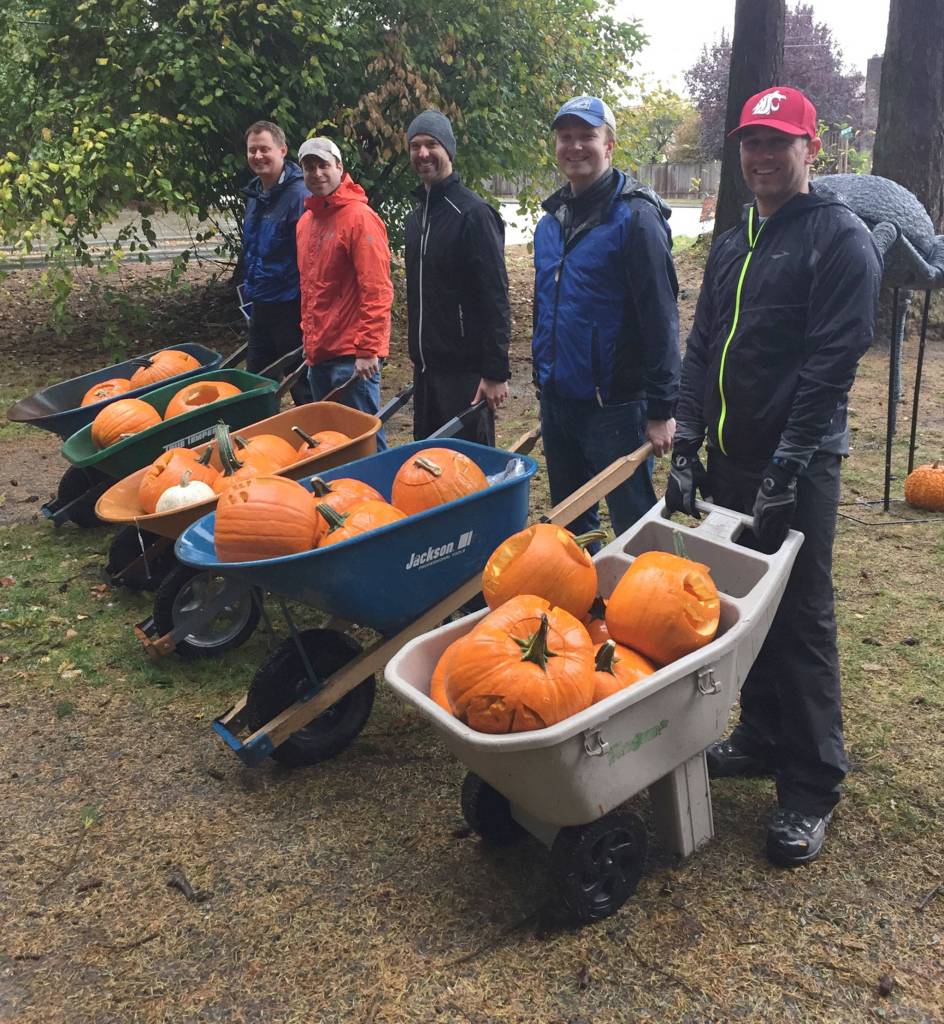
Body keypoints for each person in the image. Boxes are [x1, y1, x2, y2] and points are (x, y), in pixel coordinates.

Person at [665, 86, 882, 867]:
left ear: (810, 150)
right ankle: (759, 732)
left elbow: (830, 366)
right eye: (750, 144)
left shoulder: (839, 240)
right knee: (737, 606)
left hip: (799, 462)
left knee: (799, 617)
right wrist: (687, 444)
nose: (760, 157)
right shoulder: (734, 241)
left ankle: (812, 783)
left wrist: (788, 465)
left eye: (777, 143)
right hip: (730, 455)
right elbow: (701, 348)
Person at [531, 95, 680, 540]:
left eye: (587, 137)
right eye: (566, 137)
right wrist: (544, 378)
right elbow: (546, 308)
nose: (575, 146)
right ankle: (585, 603)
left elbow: (661, 318)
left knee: (636, 525)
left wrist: (661, 409)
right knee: (571, 524)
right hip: (559, 399)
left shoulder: (636, 219)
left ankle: (653, 604)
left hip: (615, 405)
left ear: (610, 146)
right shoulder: (550, 222)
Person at [404, 110, 511, 445]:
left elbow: (495, 297)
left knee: (468, 473)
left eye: (431, 144)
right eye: (415, 146)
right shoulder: (416, 218)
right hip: (425, 370)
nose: (423, 154)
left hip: (464, 375)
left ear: (448, 150)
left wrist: (495, 372)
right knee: (426, 466)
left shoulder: (474, 214)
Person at [296, 137, 393, 450]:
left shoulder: (360, 218)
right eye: (309, 167)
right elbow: (311, 290)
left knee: (363, 441)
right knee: (329, 444)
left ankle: (381, 494)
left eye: (323, 165)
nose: (317, 173)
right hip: (319, 355)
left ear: (339, 167)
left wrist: (368, 349)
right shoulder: (306, 223)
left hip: (352, 358)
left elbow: (376, 288)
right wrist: (309, 343)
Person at [242, 121, 311, 405]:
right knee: (255, 383)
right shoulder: (256, 195)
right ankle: (258, 438)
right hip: (261, 304)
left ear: (282, 150)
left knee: (301, 383)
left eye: (265, 149)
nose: (258, 156)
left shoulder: (299, 196)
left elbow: (309, 257)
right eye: (252, 150)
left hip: (290, 306)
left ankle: (318, 439)